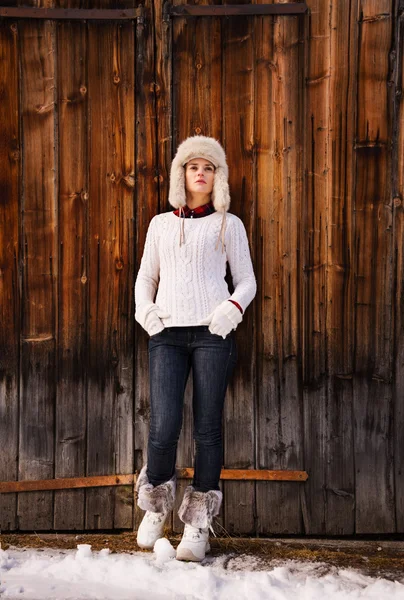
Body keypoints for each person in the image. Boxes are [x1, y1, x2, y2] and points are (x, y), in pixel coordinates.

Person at [134, 135, 256, 562]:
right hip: (166, 336)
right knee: (164, 424)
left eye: (208, 167)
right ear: (180, 175)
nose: (199, 173)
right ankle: (154, 506)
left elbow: (246, 280)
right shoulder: (160, 224)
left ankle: (198, 524)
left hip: (211, 335)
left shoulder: (229, 224)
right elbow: (145, 277)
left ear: (216, 177)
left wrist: (231, 309)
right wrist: (145, 312)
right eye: (192, 166)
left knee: (207, 428)